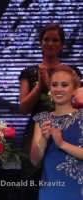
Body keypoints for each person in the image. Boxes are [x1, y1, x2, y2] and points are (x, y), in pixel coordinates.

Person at [18, 23, 82, 200]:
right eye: (46, 39)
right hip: (40, 133)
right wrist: (39, 85)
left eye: (55, 40)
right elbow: (23, 108)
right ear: (40, 42)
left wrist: (61, 143)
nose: (50, 43)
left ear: (62, 44)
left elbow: (79, 100)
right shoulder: (30, 73)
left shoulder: (72, 73)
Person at [30, 66, 83, 199]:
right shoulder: (42, 119)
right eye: (54, 85)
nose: (58, 89)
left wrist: (62, 144)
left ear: (74, 90)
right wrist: (42, 139)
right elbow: (34, 161)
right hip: (51, 187)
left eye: (64, 85)